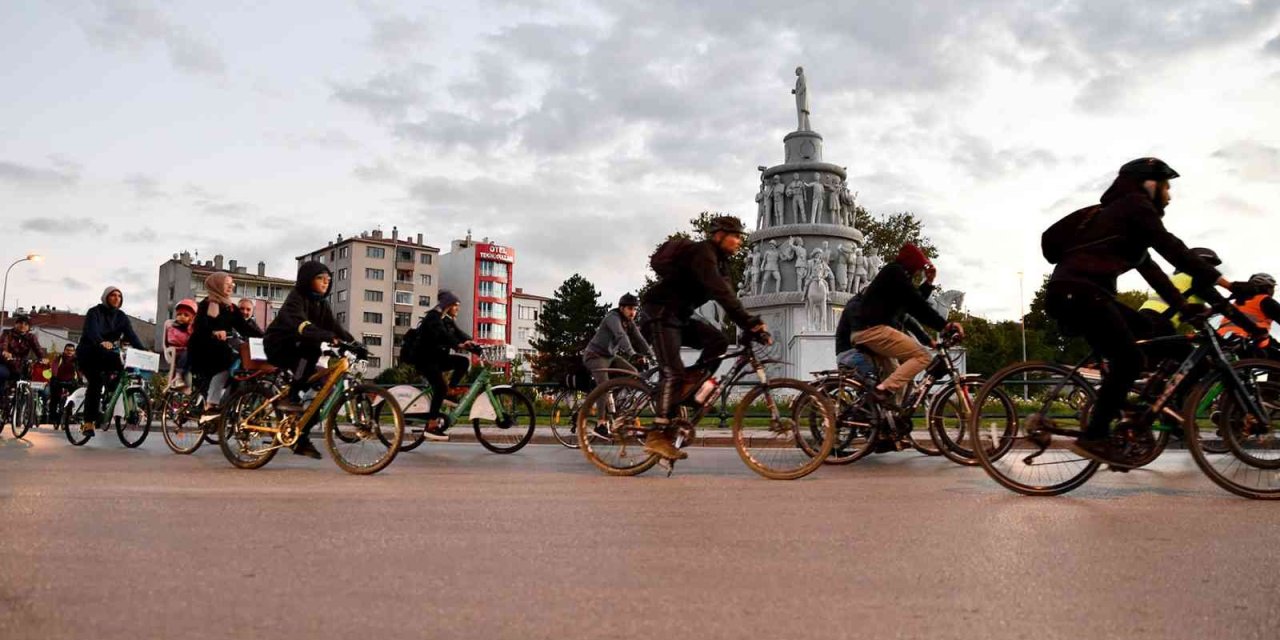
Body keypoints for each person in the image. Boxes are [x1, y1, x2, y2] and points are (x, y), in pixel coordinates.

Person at [1043, 157, 1259, 467]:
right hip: (1078, 294)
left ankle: (1139, 413)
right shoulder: (1133, 205)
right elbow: (1172, 248)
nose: (1169, 195)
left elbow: (1156, 274)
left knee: (1150, 330)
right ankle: (1094, 437)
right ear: (1149, 183)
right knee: (1129, 360)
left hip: (1084, 295)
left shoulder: (1125, 224)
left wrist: (1186, 309)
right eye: (1166, 186)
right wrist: (1226, 283)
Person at [640, 215, 769, 460]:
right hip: (659, 313)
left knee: (718, 341)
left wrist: (751, 327)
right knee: (672, 372)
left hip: (679, 316)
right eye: (735, 236)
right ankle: (656, 435)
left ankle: (688, 386)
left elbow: (730, 298)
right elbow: (719, 291)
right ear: (719, 235)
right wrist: (750, 322)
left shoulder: (721, 264)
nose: (739, 241)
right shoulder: (703, 253)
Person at [849, 243, 961, 408]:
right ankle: (882, 392)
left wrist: (928, 283)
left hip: (866, 330)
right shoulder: (895, 272)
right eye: (917, 265)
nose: (918, 269)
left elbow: (910, 303)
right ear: (911, 262)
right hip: (873, 330)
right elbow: (916, 305)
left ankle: (886, 423)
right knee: (923, 357)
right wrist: (945, 325)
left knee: (897, 377)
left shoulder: (894, 275)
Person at [264, 261, 355, 458]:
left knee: (324, 390)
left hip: (302, 347)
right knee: (310, 350)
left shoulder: (321, 303)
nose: (325, 283)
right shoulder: (296, 298)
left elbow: (334, 326)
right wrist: (323, 335)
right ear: (308, 280)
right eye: (320, 279)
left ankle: (301, 436)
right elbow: (299, 323)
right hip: (279, 345)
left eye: (328, 280)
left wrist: (354, 343)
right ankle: (292, 395)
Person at [189, 274, 262, 424]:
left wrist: (267, 337)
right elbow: (199, 328)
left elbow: (245, 328)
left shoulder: (230, 307)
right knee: (224, 365)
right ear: (216, 285)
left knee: (239, 368)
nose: (231, 287)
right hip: (202, 348)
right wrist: (213, 332)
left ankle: (227, 404)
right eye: (227, 284)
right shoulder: (206, 304)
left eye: (232, 284)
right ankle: (210, 406)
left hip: (220, 348)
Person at [76, 287, 145, 436]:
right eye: (113, 295)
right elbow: (91, 331)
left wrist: (144, 350)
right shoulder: (94, 312)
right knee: (96, 382)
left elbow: (131, 335)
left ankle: (110, 399)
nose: (116, 298)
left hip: (106, 354)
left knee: (124, 369)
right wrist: (101, 342)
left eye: (119, 296)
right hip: (88, 354)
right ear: (106, 297)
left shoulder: (122, 317)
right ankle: (88, 423)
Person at [411, 290, 478, 440]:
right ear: (448, 304)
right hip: (425, 360)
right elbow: (444, 335)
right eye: (456, 305)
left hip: (438, 359)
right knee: (439, 387)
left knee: (463, 362)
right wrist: (458, 344)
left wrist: (474, 344)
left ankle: (450, 390)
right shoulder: (433, 318)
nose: (458, 309)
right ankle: (431, 425)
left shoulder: (446, 319)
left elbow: (459, 333)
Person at [582, 293, 656, 428]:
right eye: (630, 309)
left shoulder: (629, 322)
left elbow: (640, 340)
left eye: (635, 309)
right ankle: (601, 424)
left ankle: (613, 402)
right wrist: (632, 354)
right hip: (595, 355)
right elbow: (621, 335)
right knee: (603, 385)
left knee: (633, 373)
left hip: (610, 356)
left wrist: (652, 356)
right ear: (621, 308)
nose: (633, 312)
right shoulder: (612, 318)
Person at [1138, 247, 1221, 336]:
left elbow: (1194, 314)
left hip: (1142, 316)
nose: (1212, 270)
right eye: (1210, 265)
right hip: (1160, 320)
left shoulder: (1177, 278)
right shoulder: (1197, 279)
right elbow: (1222, 304)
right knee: (1184, 349)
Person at [1218, 273, 1280, 358]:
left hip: (1222, 337)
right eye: (1271, 287)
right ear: (1266, 287)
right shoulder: (1265, 300)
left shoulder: (1238, 301)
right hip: (1249, 338)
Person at [1, 312, 45, 389]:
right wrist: (5, 352)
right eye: (20, 323)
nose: (23, 326)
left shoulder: (31, 337)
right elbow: (3, 343)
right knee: (2, 374)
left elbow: (38, 348)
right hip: (6, 363)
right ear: (15, 324)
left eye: (26, 324)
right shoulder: (8, 333)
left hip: (21, 365)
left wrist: (43, 358)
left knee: (29, 380)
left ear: (29, 327)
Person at [43, 343, 81, 424]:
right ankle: (52, 417)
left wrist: (80, 379)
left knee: (74, 397)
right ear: (64, 350)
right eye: (67, 350)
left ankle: (71, 415)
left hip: (70, 381)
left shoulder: (76, 360)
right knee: (55, 398)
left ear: (74, 352)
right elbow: (54, 367)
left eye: (71, 351)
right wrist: (54, 377)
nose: (69, 352)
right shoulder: (59, 358)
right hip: (58, 380)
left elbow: (78, 370)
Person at [165, 298, 197, 389]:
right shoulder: (173, 327)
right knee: (188, 351)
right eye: (179, 314)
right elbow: (172, 340)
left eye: (186, 315)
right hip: (176, 352)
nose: (182, 316)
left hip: (187, 355)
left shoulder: (191, 329)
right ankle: (178, 376)